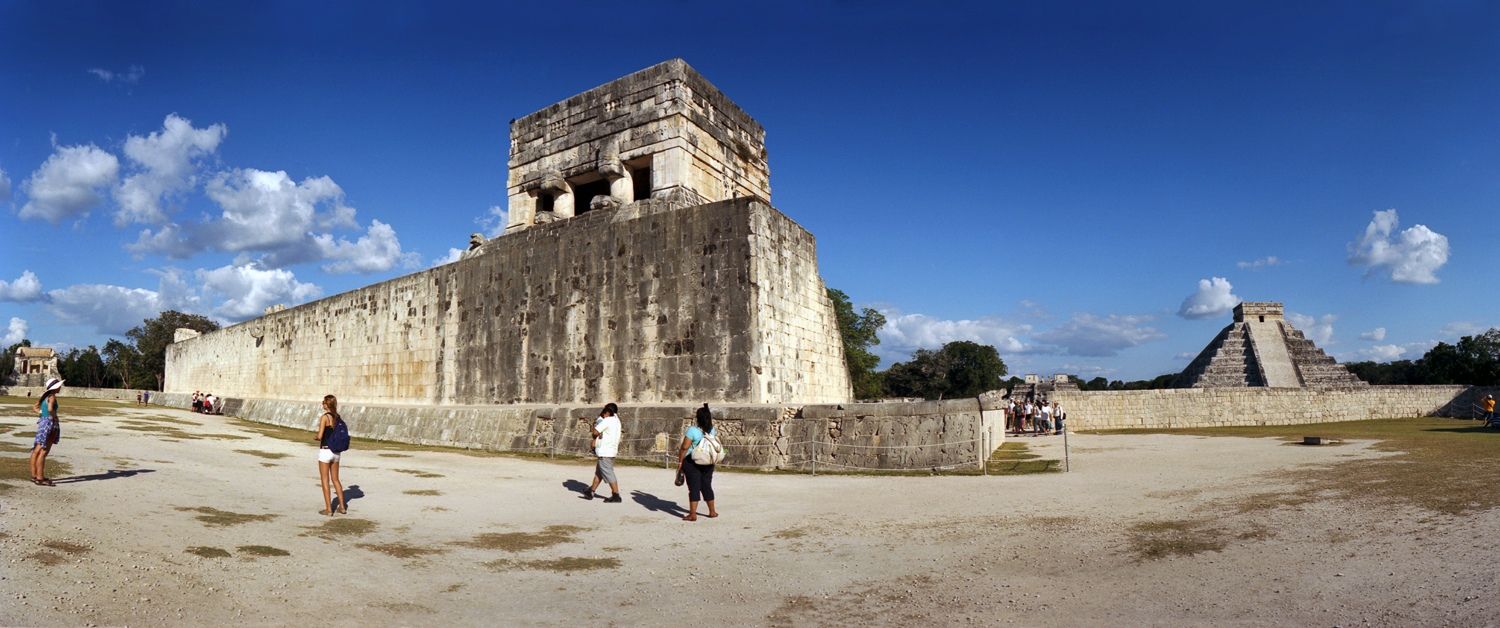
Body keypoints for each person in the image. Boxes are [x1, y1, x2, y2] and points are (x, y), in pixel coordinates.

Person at [674, 403, 720, 521]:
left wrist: (680, 462)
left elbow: (685, 447)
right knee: (707, 486)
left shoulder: (692, 430)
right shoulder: (712, 430)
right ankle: (712, 511)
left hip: (692, 461)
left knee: (694, 487)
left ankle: (693, 514)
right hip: (708, 462)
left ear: (697, 418)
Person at [313, 394, 348, 515]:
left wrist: (316, 437)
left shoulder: (325, 417)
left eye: (323, 402)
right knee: (336, 480)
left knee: (324, 480)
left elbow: (320, 436)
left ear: (327, 404)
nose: (322, 404)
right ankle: (342, 507)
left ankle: (328, 509)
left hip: (325, 451)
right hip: (336, 453)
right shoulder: (337, 417)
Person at [583, 403, 623, 503]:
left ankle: (616, 494)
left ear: (608, 412)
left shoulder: (607, 420)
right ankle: (591, 491)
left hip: (605, 451)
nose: (603, 415)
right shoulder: (617, 421)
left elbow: (595, 432)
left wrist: (595, 426)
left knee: (608, 473)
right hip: (611, 450)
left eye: (604, 413)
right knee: (599, 473)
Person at [30, 378, 64, 486]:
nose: (60, 387)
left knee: (36, 450)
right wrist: (55, 417)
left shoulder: (45, 397)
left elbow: (35, 407)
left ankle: (34, 475)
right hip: (50, 424)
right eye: (59, 385)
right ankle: (40, 478)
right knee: (44, 452)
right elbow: (50, 409)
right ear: (55, 387)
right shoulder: (52, 397)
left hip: (42, 423)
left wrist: (42, 413)